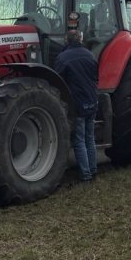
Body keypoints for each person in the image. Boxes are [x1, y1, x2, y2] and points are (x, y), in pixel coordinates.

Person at [54, 30, 99, 182]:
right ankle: (93, 170)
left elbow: (57, 81)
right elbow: (95, 77)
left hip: (78, 104)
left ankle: (85, 175)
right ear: (80, 39)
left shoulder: (62, 57)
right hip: (92, 101)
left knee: (79, 140)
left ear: (66, 41)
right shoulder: (90, 55)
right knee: (90, 138)